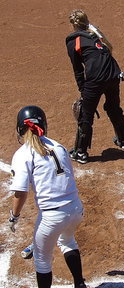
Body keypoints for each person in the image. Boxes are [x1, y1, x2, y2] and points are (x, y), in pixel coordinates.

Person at [8, 105, 88, 288]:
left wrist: (14, 216)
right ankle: (80, 284)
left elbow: (20, 192)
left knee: (42, 261)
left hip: (52, 217)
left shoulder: (23, 154)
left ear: (20, 128)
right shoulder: (58, 146)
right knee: (68, 241)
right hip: (76, 209)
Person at [66, 9, 124, 164]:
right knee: (113, 108)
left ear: (73, 25)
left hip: (96, 79)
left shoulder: (73, 41)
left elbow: (78, 69)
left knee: (86, 114)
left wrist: (83, 90)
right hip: (113, 74)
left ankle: (80, 152)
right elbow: (109, 49)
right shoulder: (95, 35)